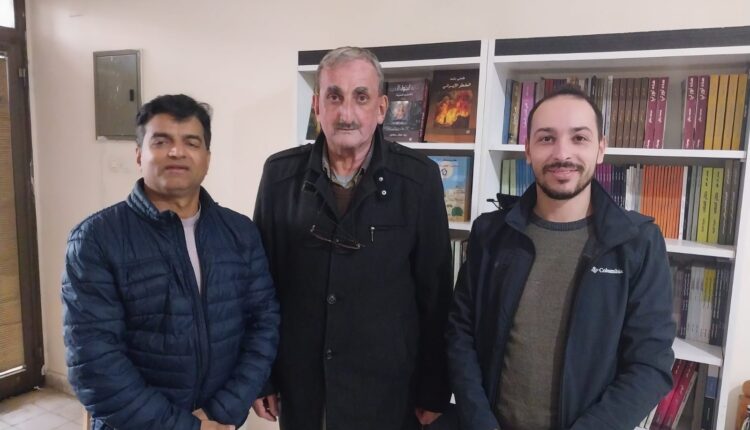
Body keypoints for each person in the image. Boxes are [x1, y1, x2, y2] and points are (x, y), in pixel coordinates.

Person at [446, 85, 675, 430]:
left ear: (601, 149)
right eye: (546, 138)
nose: (562, 153)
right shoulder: (490, 233)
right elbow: (461, 333)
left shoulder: (637, 242)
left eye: (579, 138)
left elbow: (649, 365)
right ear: (528, 150)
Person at [252, 46, 453, 430]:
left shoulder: (419, 179)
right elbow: (260, 288)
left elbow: (436, 292)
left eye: (361, 97)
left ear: (381, 108)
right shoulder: (279, 176)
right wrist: (263, 375)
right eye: (334, 97)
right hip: (304, 385)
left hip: (388, 388)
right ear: (317, 105)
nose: (346, 113)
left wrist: (434, 387)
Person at [62, 94, 280, 430]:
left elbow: (263, 324)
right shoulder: (96, 240)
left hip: (221, 421)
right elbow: (94, 364)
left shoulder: (240, 233)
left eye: (191, 142)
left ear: (207, 158)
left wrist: (222, 411)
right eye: (161, 141)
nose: (177, 152)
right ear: (139, 154)